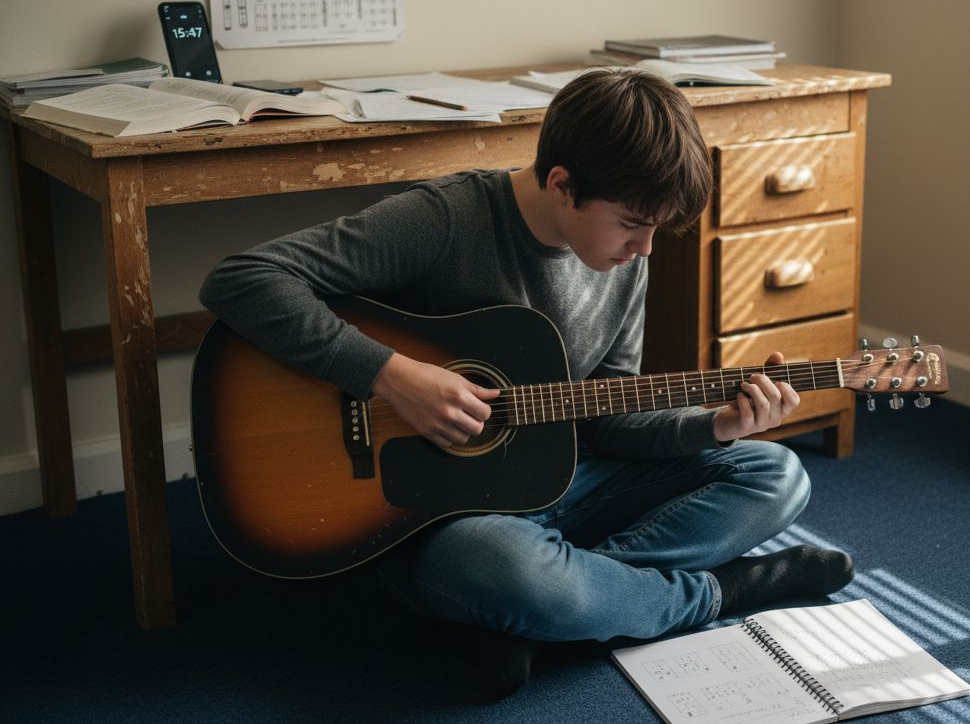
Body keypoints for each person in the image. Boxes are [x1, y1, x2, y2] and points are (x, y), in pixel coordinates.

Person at [199, 69, 855, 697]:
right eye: (633, 224)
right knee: (507, 573)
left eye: (656, 228)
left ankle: (565, 607)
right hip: (437, 512)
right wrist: (391, 375)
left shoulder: (622, 256)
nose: (646, 249)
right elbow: (241, 281)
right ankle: (715, 593)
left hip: (566, 476)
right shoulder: (447, 219)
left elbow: (604, 420)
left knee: (777, 472)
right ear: (564, 185)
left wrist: (713, 426)